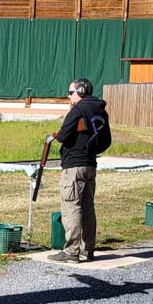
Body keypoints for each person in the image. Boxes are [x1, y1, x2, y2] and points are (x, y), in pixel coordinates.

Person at [49, 77, 110, 264]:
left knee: (71, 206)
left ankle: (71, 251)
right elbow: (106, 141)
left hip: (74, 165)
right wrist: (90, 151)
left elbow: (63, 135)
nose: (69, 96)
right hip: (90, 164)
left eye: (71, 92)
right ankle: (87, 249)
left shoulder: (78, 109)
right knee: (87, 207)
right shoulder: (100, 110)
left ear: (81, 91)